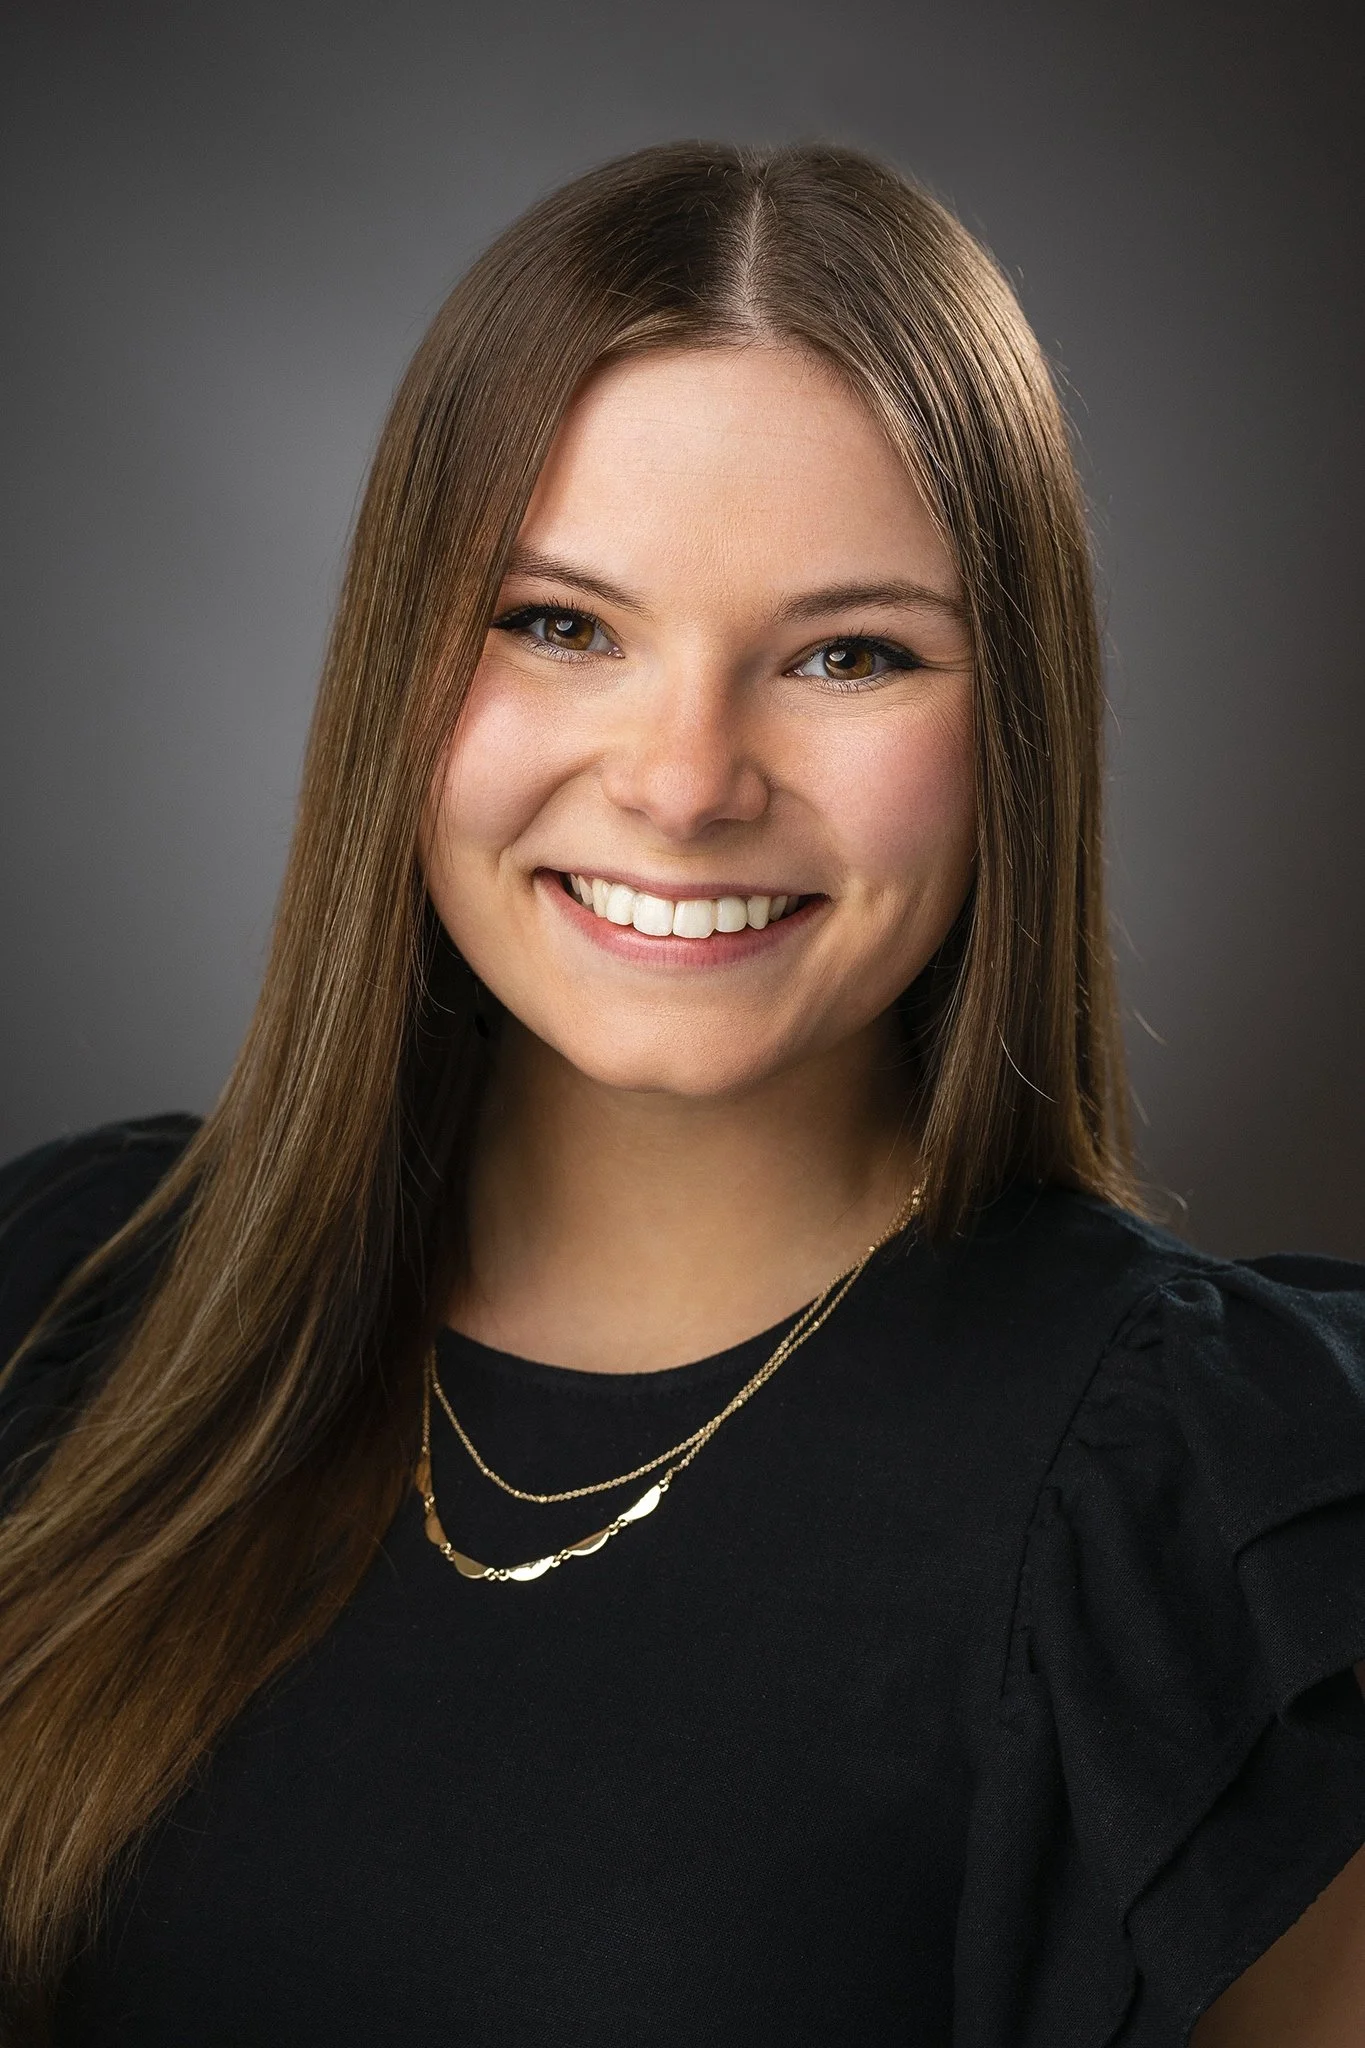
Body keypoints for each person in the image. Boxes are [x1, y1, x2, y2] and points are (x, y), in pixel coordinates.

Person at [1, 140, 1363, 2048]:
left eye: (848, 653)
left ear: (1016, 730)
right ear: (401, 660)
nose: (687, 777)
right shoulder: (69, 1296)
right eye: (560, 623)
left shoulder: (1193, 1516)